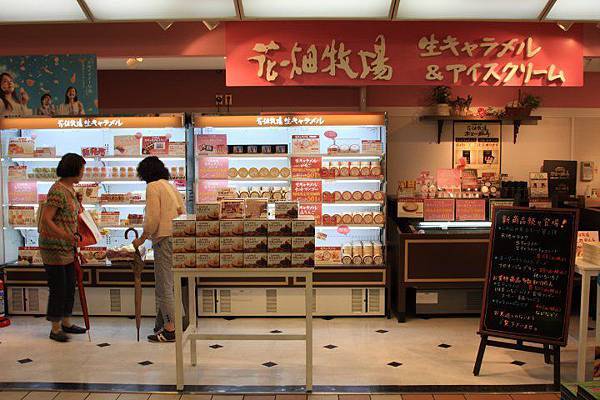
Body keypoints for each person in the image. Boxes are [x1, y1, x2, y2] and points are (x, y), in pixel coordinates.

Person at [132, 156, 184, 343]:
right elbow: (181, 211)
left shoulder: (153, 187)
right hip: (177, 237)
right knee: (171, 284)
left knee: (164, 286)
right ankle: (170, 323)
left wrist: (142, 238)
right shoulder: (170, 186)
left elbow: (152, 219)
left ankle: (170, 330)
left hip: (164, 239)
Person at [38, 153, 87, 342]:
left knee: (69, 286)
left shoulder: (70, 189)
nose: (83, 173)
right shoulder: (58, 190)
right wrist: (65, 235)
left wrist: (79, 202)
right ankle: (55, 328)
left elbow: (73, 214)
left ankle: (66, 322)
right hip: (54, 247)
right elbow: (47, 220)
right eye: (82, 169)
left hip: (67, 246)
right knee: (59, 287)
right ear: (73, 170)